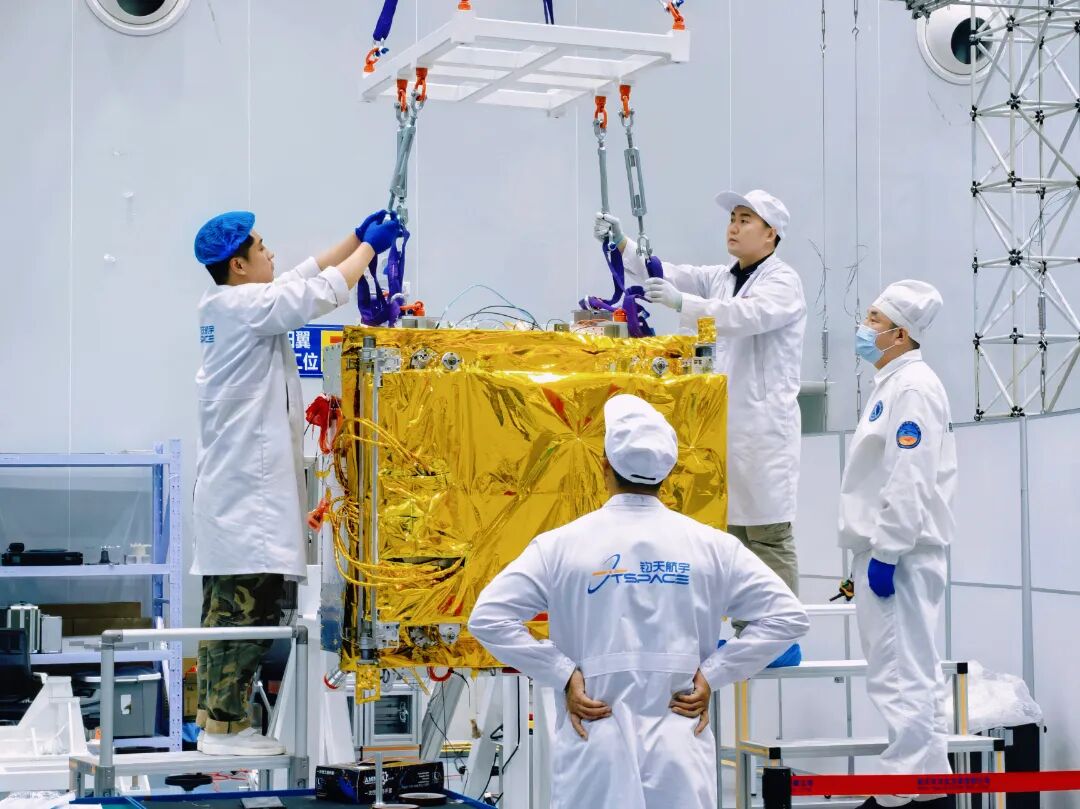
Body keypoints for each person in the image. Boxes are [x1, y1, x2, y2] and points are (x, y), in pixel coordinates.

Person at [468, 394, 809, 809]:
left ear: (604, 467)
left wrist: (563, 674)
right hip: (679, 742)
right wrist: (713, 675)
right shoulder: (712, 547)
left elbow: (488, 618)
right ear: (667, 474)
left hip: (595, 736)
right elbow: (787, 618)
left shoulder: (561, 545)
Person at [191, 209, 400, 756]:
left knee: (225, 612)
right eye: (262, 248)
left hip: (233, 498)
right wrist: (371, 252)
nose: (272, 253)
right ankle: (225, 730)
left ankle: (215, 723)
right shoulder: (246, 307)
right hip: (246, 501)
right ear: (239, 265)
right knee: (245, 613)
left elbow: (303, 276)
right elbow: (320, 293)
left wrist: (355, 238)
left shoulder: (228, 303)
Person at [594, 190, 806, 665]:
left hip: (764, 430)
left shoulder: (783, 282)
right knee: (737, 535)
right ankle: (753, 634)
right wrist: (623, 244)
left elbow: (745, 317)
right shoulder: (723, 278)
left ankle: (781, 639)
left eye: (745, 219)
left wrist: (683, 304)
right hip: (727, 427)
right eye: (733, 217)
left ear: (771, 233)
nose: (733, 226)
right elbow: (664, 272)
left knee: (769, 533)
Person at [838, 280, 957, 809]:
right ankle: (928, 793)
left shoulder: (912, 388)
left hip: (899, 554)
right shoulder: (893, 385)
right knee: (908, 674)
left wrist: (887, 553)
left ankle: (902, 794)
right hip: (891, 549)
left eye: (873, 319)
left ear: (900, 334)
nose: (864, 328)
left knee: (901, 677)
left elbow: (909, 477)